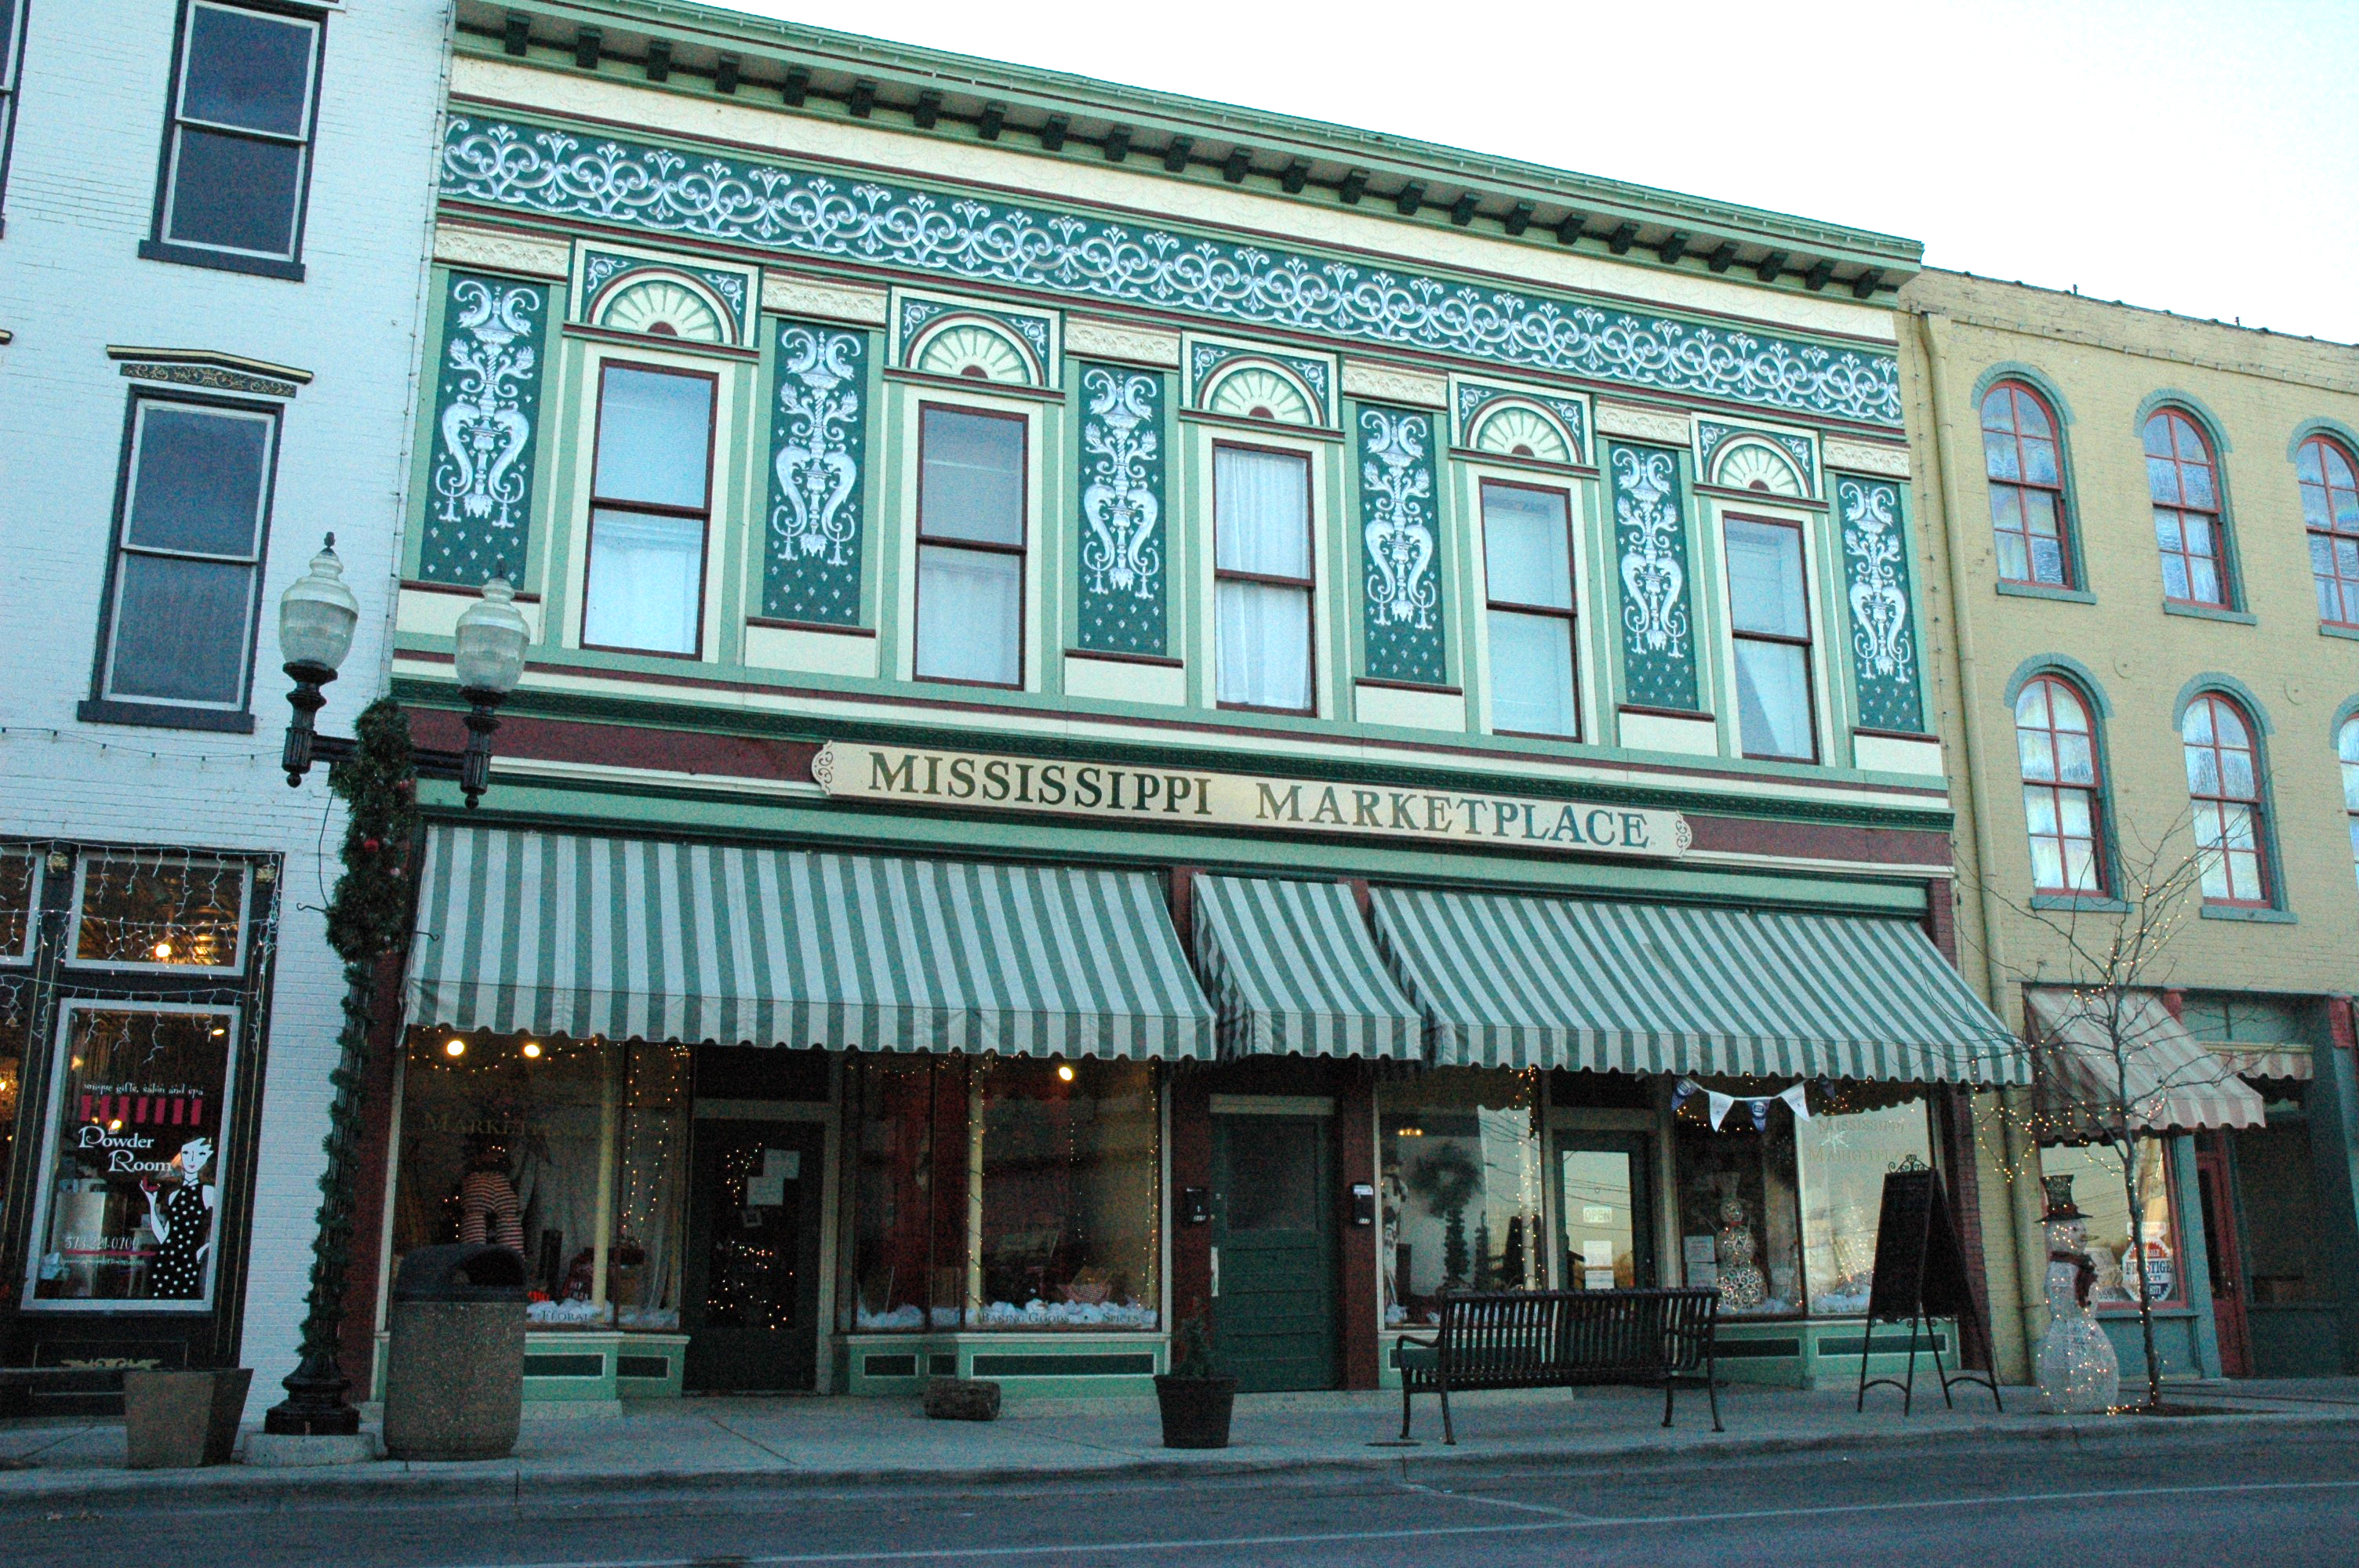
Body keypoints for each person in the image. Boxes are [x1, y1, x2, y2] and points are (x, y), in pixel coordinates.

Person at [143, 1137, 216, 1299]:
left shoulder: (207, 1192)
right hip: (167, 1257)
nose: (191, 1159)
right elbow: (163, 1236)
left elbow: (223, 1224)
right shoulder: (174, 1195)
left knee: (184, 1299)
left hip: (188, 1258)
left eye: (198, 1154)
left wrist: (204, 1249)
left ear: (204, 1158)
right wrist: (151, 1201)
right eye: (186, 1153)